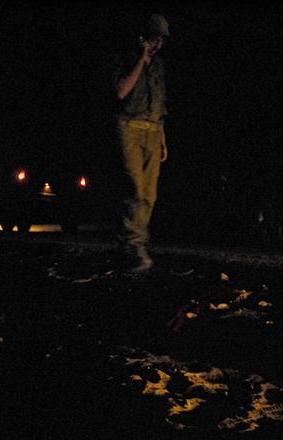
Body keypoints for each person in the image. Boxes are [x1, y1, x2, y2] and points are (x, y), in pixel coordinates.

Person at [111, 13, 171, 272]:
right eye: (153, 38)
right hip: (129, 127)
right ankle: (133, 243)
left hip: (153, 130)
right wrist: (140, 61)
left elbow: (160, 103)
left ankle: (136, 242)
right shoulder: (124, 59)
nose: (157, 44)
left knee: (149, 194)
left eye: (160, 40)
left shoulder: (160, 66)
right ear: (142, 37)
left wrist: (163, 138)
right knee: (134, 188)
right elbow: (121, 91)